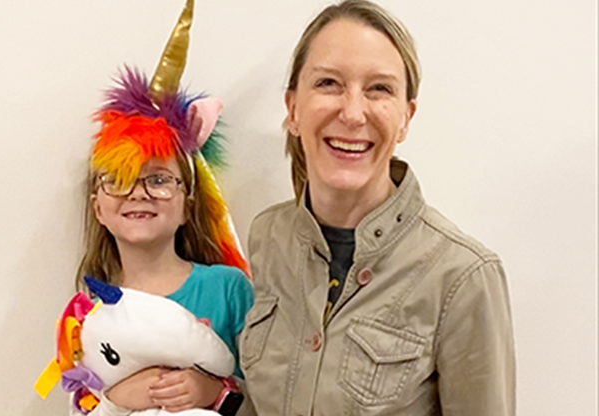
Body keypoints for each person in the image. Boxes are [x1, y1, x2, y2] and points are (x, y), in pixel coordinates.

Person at [240, 1, 515, 415]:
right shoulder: (268, 236)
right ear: (293, 108)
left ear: (406, 118)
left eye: (379, 89)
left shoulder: (462, 276)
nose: (352, 113)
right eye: (329, 83)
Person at [71, 0, 253, 414]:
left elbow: (270, 396)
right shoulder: (88, 308)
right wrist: (114, 398)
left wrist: (212, 392)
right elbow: (78, 400)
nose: (137, 192)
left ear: (188, 204)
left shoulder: (227, 290)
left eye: (157, 179)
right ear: (97, 206)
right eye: (118, 178)